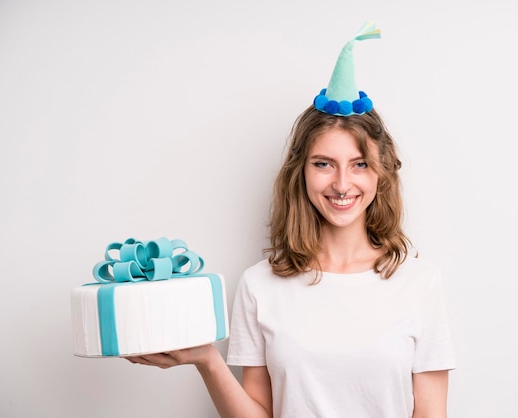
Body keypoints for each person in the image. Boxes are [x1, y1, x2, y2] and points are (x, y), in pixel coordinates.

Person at [127, 22, 455, 418]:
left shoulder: (419, 283)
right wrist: (209, 361)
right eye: (324, 164)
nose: (341, 183)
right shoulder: (259, 285)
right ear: (300, 171)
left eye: (359, 164)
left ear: (380, 173)